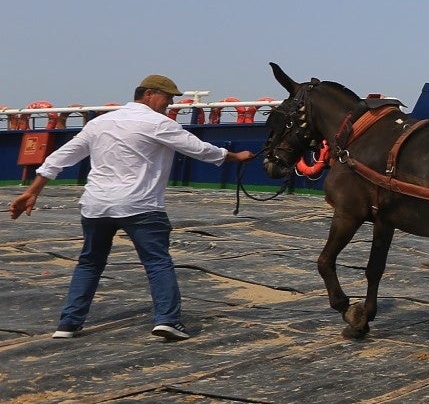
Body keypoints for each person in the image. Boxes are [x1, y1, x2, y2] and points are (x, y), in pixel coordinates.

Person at [8, 75, 254, 341]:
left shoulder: (100, 123)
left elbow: (60, 158)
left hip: (96, 207)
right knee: (157, 262)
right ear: (149, 94)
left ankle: (68, 324)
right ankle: (168, 320)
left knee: (89, 263)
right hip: (140, 206)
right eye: (167, 98)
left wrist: (32, 191)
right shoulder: (158, 123)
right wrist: (235, 157)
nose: (170, 104)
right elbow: (201, 149)